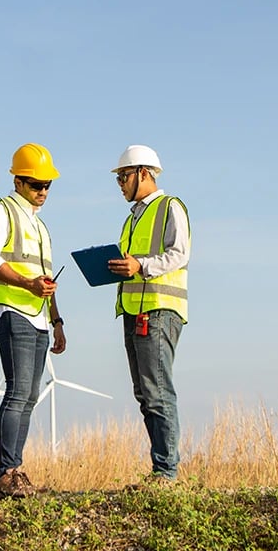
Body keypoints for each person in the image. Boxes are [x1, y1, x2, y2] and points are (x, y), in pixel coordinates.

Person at [0, 143, 67, 498]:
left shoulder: (41, 227)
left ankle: (15, 470)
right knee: (17, 391)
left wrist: (57, 321)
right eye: (34, 184)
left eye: (47, 185)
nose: (42, 191)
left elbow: (46, 278)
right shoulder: (1, 212)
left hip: (40, 318)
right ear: (17, 180)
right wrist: (27, 283)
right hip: (12, 310)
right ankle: (4, 473)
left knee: (29, 395)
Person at [107, 144, 190, 483]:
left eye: (124, 176)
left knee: (157, 391)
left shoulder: (170, 207)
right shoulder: (132, 219)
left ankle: (166, 472)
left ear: (143, 173)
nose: (121, 184)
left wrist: (139, 265)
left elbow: (180, 253)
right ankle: (161, 470)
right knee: (144, 393)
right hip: (134, 309)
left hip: (158, 310)